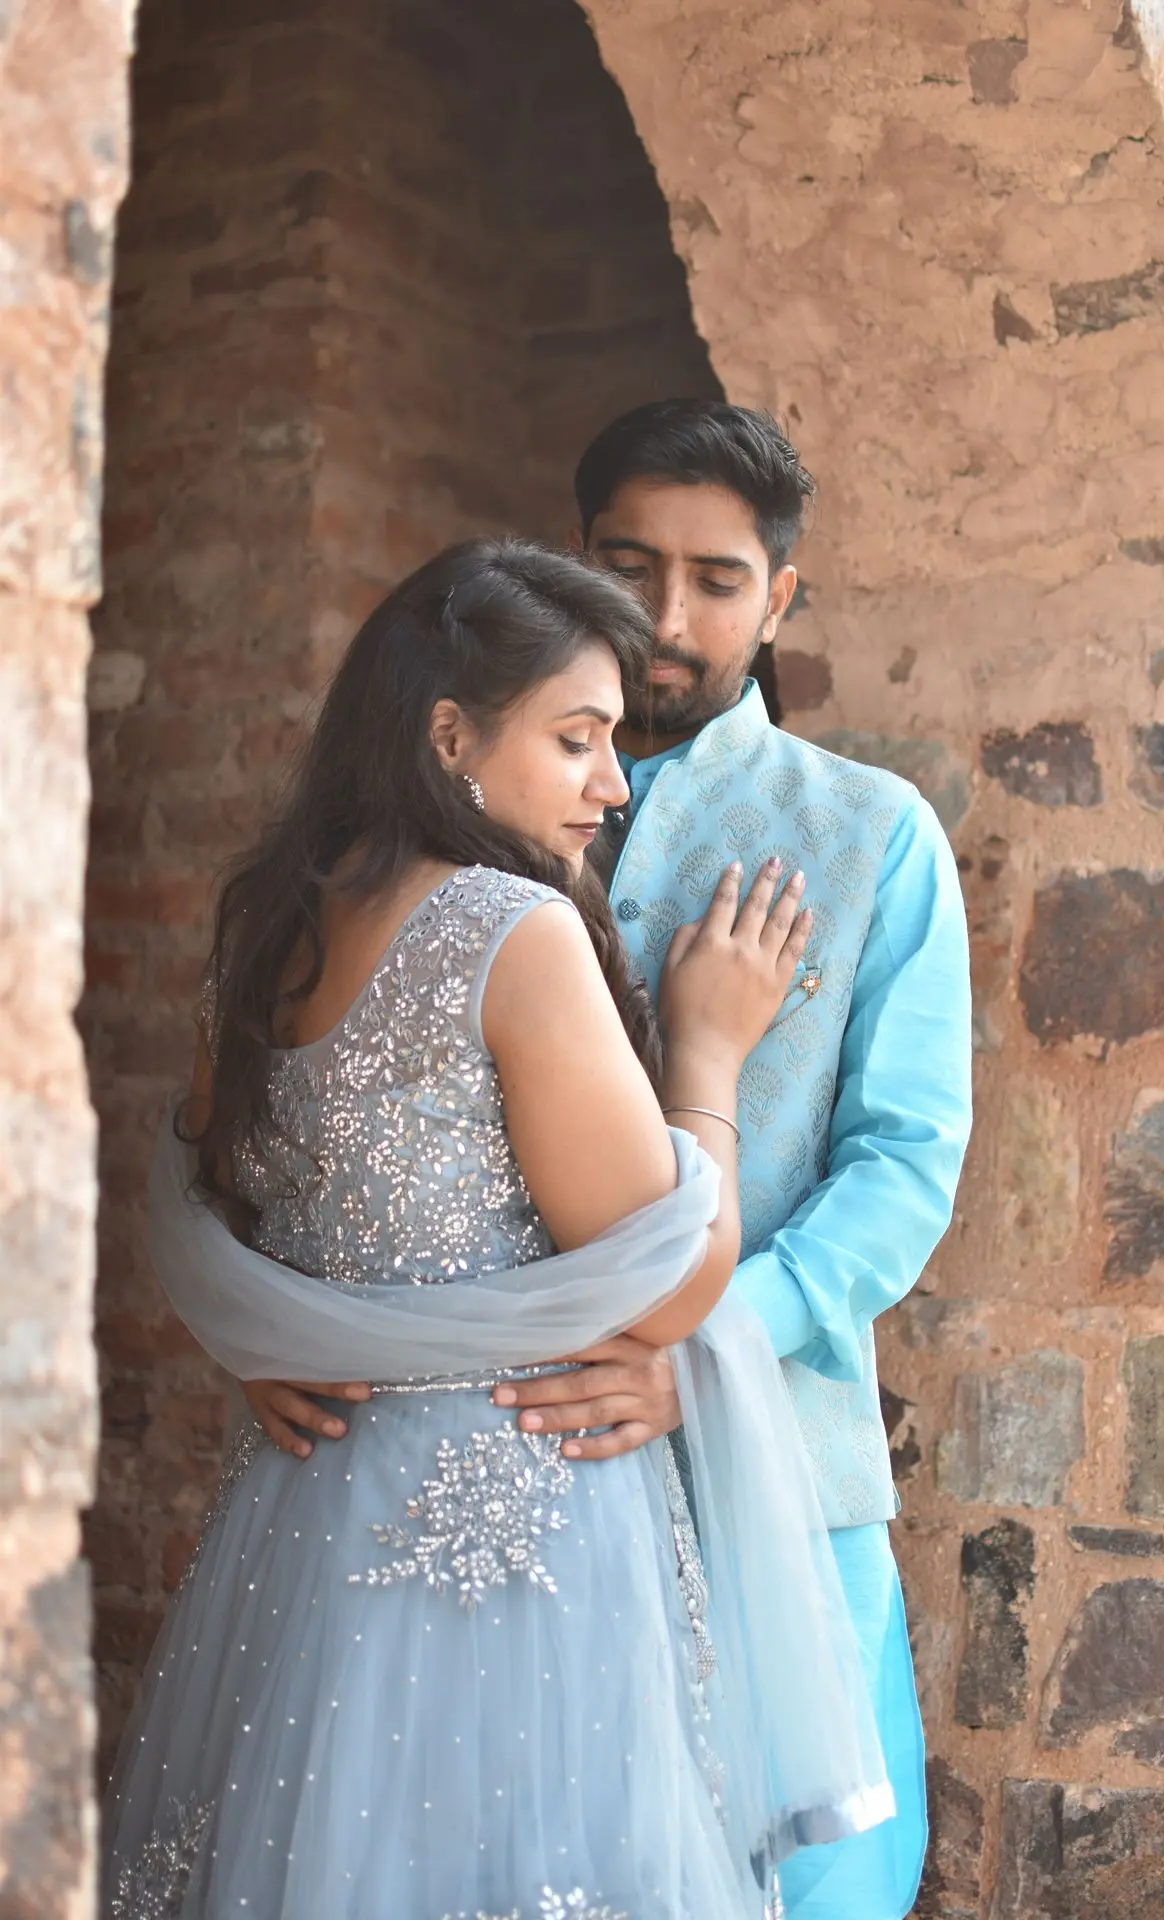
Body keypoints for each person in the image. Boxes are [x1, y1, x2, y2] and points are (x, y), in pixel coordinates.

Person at [244, 402, 973, 1919]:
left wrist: (704, 1351)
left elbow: (901, 1173)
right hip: (493, 1503)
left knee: (818, 1885)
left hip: (774, 1474)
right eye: (629, 563)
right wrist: (271, 1322)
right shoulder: (460, 828)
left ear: (783, 599)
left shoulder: (868, 835)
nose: (666, 614)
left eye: (718, 578)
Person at [102, 537, 894, 1920]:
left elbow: (214, 1207)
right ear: (450, 736)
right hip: (525, 1523)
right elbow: (664, 1290)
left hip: (305, 1519)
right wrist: (706, 1054)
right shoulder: (507, 928)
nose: (610, 782)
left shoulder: (271, 925)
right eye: (578, 740)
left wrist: (277, 1333)